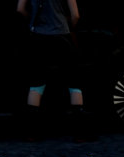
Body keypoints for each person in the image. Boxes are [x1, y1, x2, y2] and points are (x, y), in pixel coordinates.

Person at [17, 0, 83, 128]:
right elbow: (76, 15)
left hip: (38, 37)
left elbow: (20, 9)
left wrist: (31, 20)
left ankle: (32, 131)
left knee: (37, 83)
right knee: (74, 83)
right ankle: (80, 130)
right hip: (62, 36)